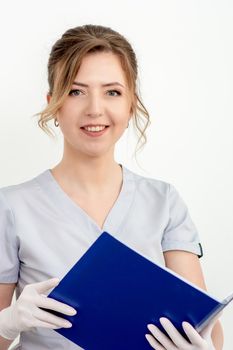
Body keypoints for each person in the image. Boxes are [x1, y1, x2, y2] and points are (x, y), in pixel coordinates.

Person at [0, 24, 223, 350]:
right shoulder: (12, 207)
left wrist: (202, 346)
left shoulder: (164, 202)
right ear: (54, 104)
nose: (95, 109)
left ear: (131, 103)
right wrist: (8, 322)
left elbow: (206, 325)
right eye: (76, 91)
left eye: (113, 92)